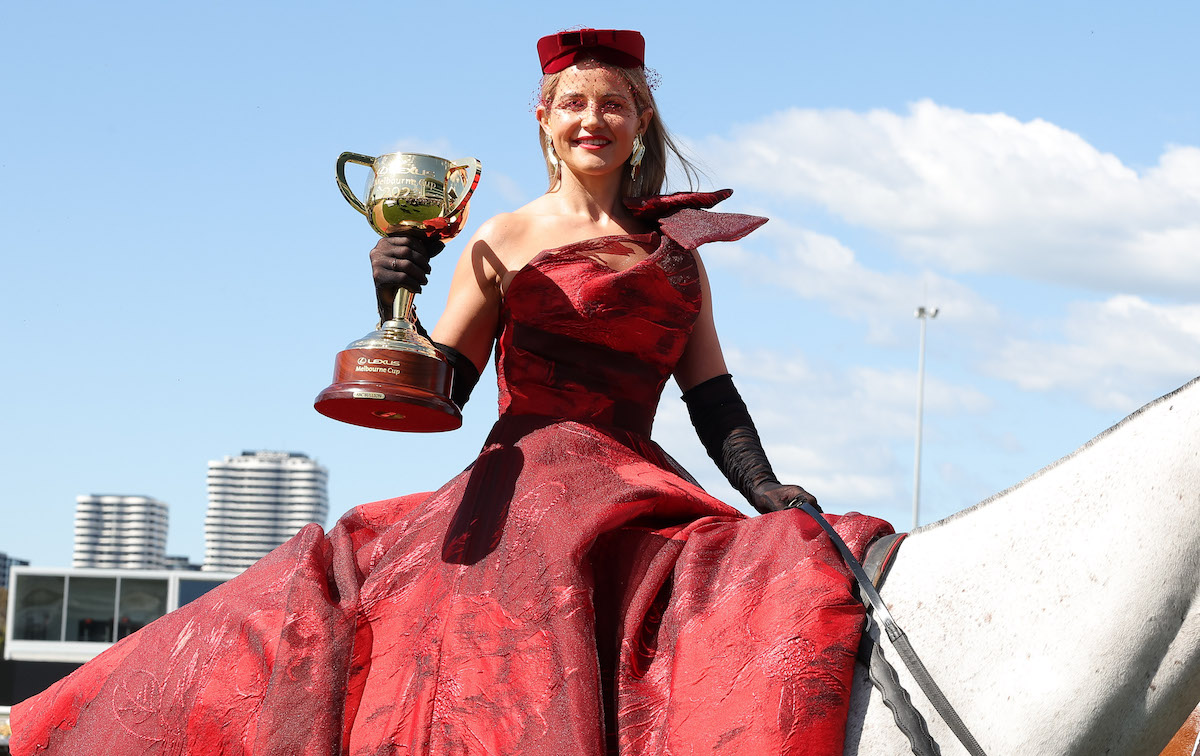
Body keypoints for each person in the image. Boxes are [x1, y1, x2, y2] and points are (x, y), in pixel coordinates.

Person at [11, 29, 891, 756]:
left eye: (613, 103)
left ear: (641, 118)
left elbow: (712, 394)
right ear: (544, 120)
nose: (595, 117)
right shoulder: (504, 234)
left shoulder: (681, 253)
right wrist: (388, 296)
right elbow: (443, 392)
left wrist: (764, 488)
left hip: (639, 484)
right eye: (575, 103)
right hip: (520, 495)